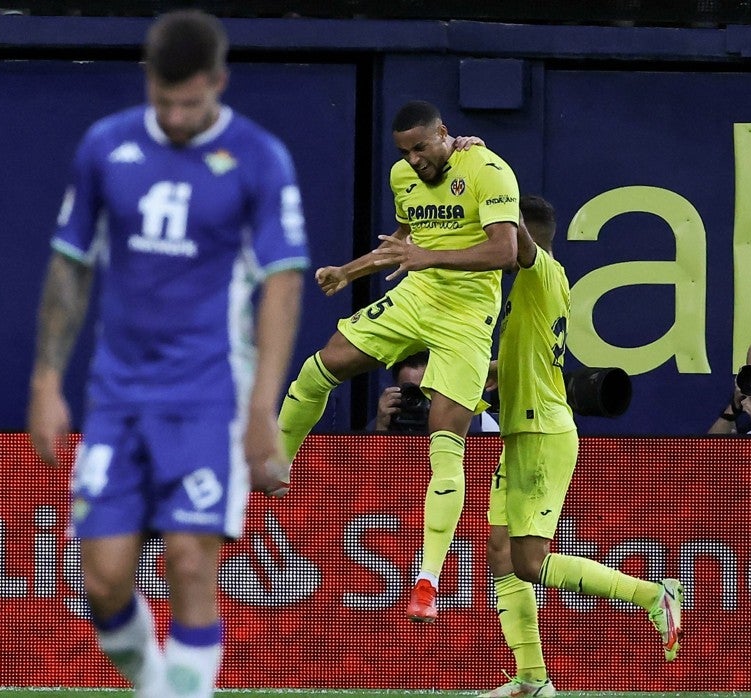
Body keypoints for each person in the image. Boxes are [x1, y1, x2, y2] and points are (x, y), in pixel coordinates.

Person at [25, 11, 306, 698]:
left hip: (209, 394)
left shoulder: (258, 157)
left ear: (218, 81)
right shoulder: (106, 146)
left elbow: (283, 283)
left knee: (189, 561)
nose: (176, 117)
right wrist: (46, 380)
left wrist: (262, 409)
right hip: (118, 395)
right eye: (164, 100)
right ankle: (158, 687)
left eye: (191, 103)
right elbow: (70, 263)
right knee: (102, 579)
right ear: (147, 79)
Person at [390, 195, 683, 695]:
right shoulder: (527, 288)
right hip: (521, 432)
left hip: (543, 433)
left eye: (497, 229)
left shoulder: (542, 271)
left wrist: (489, 186)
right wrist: (480, 374)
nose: (488, 237)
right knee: (500, 555)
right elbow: (525, 361)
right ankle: (532, 678)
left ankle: (653, 596)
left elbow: (515, 239)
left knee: (529, 561)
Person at [276, 100, 520, 623]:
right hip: (415, 298)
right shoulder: (402, 176)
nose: (413, 160)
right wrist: (348, 271)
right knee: (323, 364)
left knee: (446, 440)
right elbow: (405, 242)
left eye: (421, 148)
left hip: (467, 316)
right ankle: (278, 464)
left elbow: (505, 252)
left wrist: (429, 257)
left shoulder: (488, 169)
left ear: (444, 133)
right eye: (405, 151)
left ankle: (427, 581)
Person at [369, 350, 500, 433]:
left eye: (426, 390)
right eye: (411, 391)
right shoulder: (388, 417)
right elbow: (372, 466)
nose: (419, 397)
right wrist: (381, 428)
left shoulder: (477, 420)